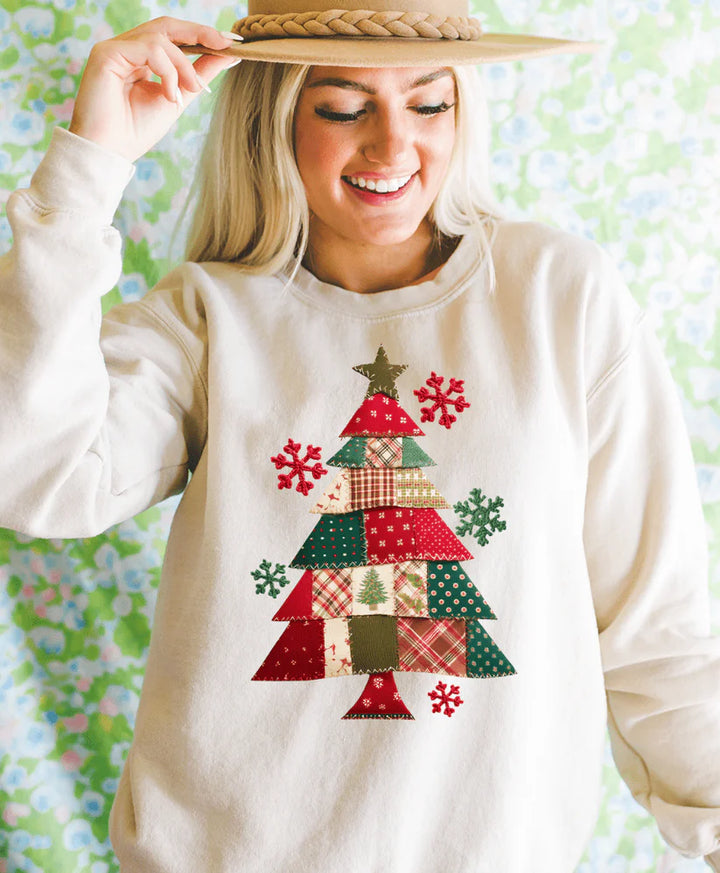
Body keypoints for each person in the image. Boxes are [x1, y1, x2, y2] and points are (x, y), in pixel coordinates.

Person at [0, 2, 718, 871]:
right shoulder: (207, 320)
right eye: (342, 108)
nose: (392, 148)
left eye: (429, 104)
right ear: (274, 117)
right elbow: (37, 476)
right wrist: (89, 168)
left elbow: (661, 628)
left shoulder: (558, 297)